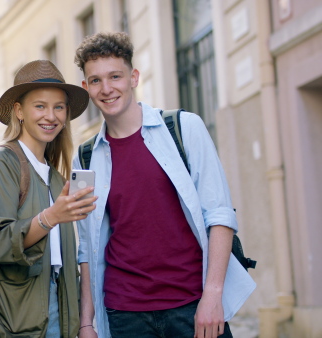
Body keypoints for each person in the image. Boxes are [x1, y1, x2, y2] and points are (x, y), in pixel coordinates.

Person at [72, 32, 256, 338]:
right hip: (124, 314)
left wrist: (212, 297)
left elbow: (220, 215)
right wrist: (86, 322)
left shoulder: (184, 128)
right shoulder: (85, 157)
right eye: (95, 80)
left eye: (115, 76)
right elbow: (87, 247)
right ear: (86, 87)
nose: (106, 89)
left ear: (133, 77)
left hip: (192, 305)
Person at [0, 60, 99, 338]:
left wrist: (82, 323)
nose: (51, 115)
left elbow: (66, 263)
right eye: (40, 106)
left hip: (55, 308)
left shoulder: (57, 178)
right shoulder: (3, 162)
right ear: (19, 111)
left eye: (59, 107)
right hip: (7, 314)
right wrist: (50, 217)